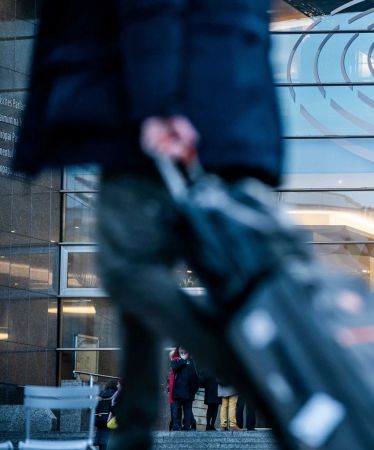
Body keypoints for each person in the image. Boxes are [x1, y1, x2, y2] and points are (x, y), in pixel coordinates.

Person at [13, 1, 282, 448]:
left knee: (126, 271)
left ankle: (250, 369)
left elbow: (152, 7)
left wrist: (157, 106)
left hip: (155, 119)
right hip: (227, 113)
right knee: (148, 275)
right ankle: (134, 429)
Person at [170, 346, 200, 431]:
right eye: (181, 349)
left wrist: (193, 390)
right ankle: (176, 426)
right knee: (176, 411)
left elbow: (196, 378)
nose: (183, 351)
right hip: (177, 392)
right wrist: (183, 360)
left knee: (187, 411)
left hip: (189, 392)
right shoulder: (176, 360)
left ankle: (187, 427)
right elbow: (174, 367)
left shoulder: (192, 361)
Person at [94, 380, 119, 450]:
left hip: (99, 422)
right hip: (109, 422)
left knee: (101, 446)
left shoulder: (100, 394)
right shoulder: (115, 395)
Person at [166, 349, 179, 431]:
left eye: (171, 356)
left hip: (174, 392)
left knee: (174, 409)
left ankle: (175, 425)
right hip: (173, 391)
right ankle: (175, 424)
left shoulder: (175, 363)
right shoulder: (176, 363)